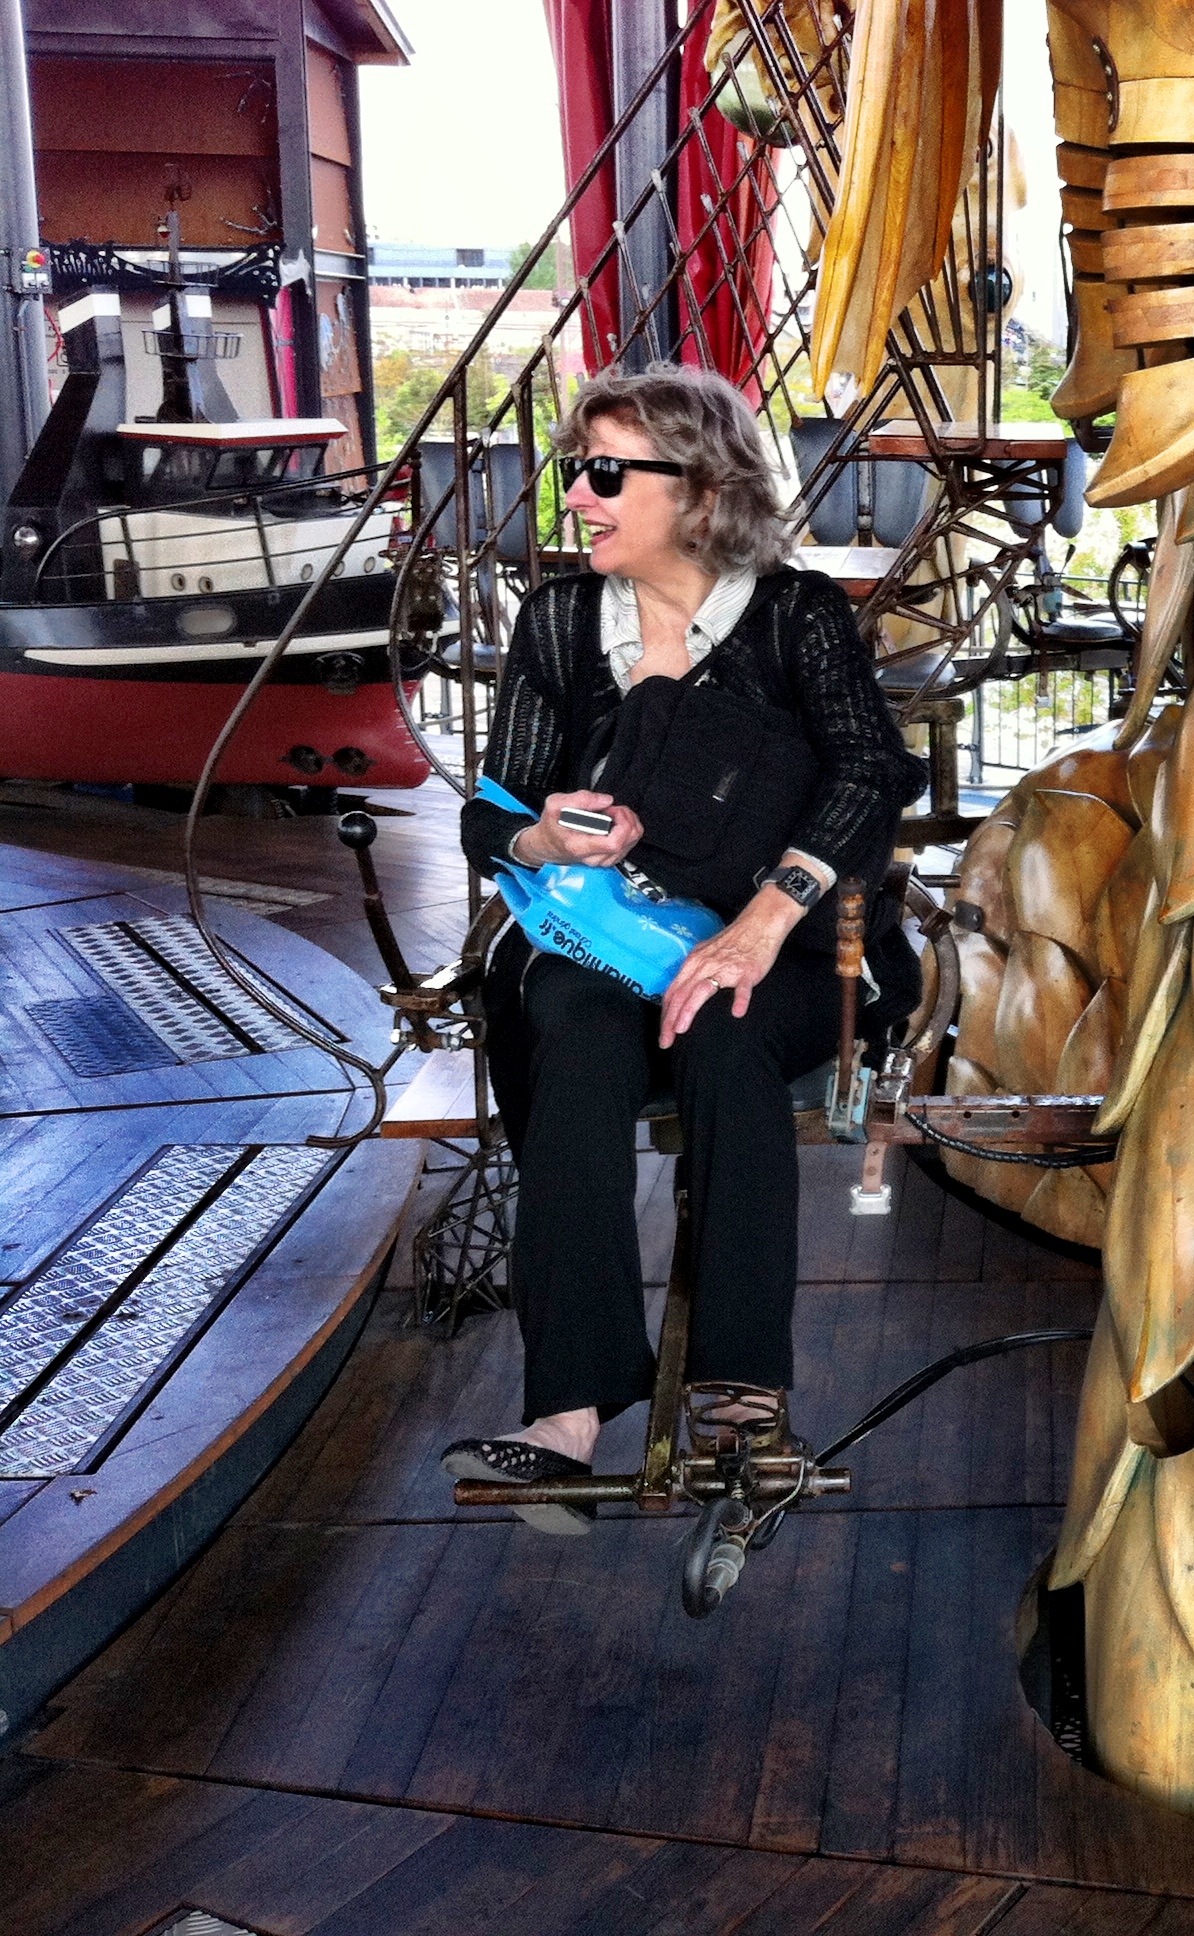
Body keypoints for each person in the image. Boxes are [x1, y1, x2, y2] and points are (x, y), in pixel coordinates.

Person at [442, 364, 926, 1530]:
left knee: (726, 1026)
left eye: (606, 474)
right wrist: (541, 833)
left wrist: (762, 922)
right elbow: (489, 812)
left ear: (702, 489)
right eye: (577, 472)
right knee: (563, 1018)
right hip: (625, 942)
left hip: (794, 948)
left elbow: (870, 775)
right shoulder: (562, 622)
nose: (578, 497)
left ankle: (742, 1390)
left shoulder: (795, 617)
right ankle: (567, 1410)